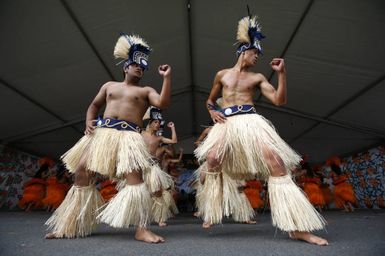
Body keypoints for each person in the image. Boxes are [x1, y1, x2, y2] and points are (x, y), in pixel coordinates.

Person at [195, 14, 328, 245]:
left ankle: (297, 227)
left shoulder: (257, 78)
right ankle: (213, 208)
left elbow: (279, 100)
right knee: (213, 159)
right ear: (242, 51)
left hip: (250, 123)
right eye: (254, 53)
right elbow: (210, 100)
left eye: (258, 54)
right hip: (225, 125)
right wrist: (211, 111)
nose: (257, 57)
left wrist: (281, 74)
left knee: (276, 162)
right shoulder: (222, 74)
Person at [45, 33, 172, 243]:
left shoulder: (146, 90)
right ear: (125, 67)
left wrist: (166, 78)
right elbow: (94, 106)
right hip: (103, 135)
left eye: (142, 67)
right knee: (82, 172)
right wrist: (89, 121)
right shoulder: (109, 86)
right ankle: (70, 225)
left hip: (130, 137)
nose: (139, 68)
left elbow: (163, 103)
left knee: (136, 181)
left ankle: (142, 229)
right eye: (135, 65)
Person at [142, 107, 177, 227]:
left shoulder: (159, 138)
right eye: (155, 122)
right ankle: (142, 217)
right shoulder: (141, 133)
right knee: (142, 192)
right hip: (142, 166)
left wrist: (172, 128)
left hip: (154, 168)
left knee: (157, 192)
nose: (157, 125)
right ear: (150, 123)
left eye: (158, 123)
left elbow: (174, 141)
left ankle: (160, 218)